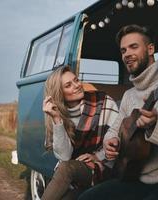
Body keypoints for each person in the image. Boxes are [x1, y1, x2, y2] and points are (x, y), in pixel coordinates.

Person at [78, 24, 158, 200]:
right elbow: (114, 129)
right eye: (123, 50)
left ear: (150, 49)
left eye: (134, 47)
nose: (127, 54)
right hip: (130, 175)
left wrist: (153, 126)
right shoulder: (129, 95)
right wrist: (111, 141)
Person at [41, 66, 119, 200]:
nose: (77, 85)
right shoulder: (57, 114)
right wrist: (57, 119)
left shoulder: (104, 102)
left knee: (67, 169)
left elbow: (118, 136)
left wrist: (97, 156)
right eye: (68, 85)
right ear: (59, 93)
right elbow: (64, 156)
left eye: (76, 80)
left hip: (104, 166)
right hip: (74, 168)